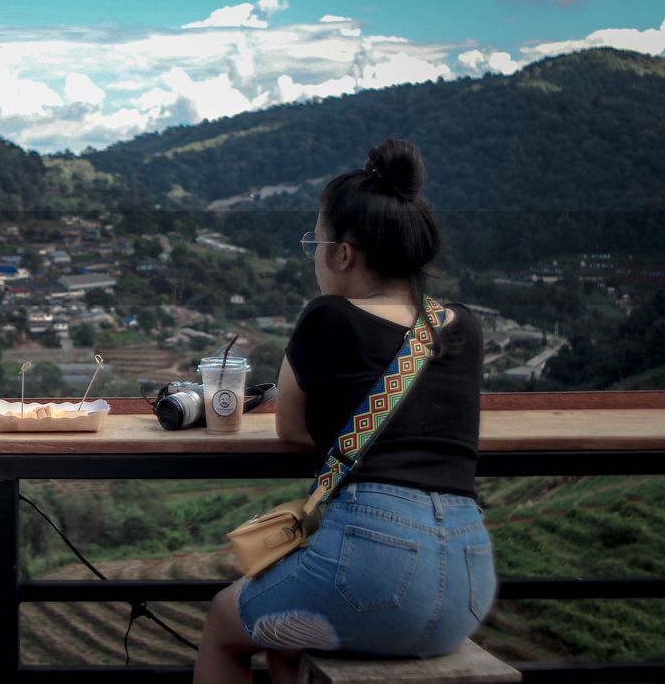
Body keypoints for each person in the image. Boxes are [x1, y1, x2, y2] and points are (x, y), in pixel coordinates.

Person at [194, 139, 495, 684]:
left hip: (376, 570)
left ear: (343, 254)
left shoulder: (328, 317)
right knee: (285, 634)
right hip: (468, 581)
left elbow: (291, 429)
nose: (313, 253)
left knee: (223, 619)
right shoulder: (462, 326)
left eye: (316, 239)